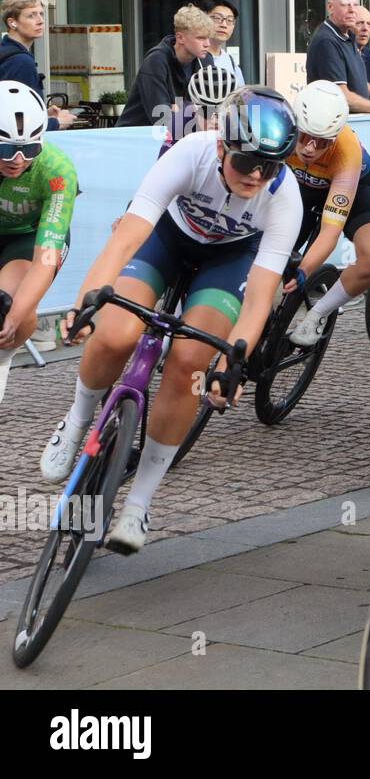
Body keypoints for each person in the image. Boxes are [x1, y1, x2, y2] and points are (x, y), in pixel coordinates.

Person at [41, 86, 302, 554]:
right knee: (117, 330)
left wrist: (235, 361)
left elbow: (260, 298)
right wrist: (87, 301)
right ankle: (78, 417)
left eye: (271, 166)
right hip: (167, 238)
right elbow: (125, 239)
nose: (257, 176)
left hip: (229, 259)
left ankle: (138, 505)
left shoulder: (284, 199)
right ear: (222, 146)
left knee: (191, 363)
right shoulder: (191, 153)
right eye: (246, 163)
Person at [284, 81, 370, 345]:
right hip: (299, 187)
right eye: (304, 136)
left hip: (354, 189)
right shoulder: (280, 128)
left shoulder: (347, 149)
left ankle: (318, 314)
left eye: (321, 142)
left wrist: (304, 271)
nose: (310, 148)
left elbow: (331, 232)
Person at [0, 81, 77, 402]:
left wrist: (13, 320)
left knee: (7, 306)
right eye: (6, 149)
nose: (17, 159)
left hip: (30, 238)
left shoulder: (56, 170)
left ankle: (3, 358)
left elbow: (45, 259)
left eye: (29, 148)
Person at [305, 0, 370, 122]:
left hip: (355, 126)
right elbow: (341, 96)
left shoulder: (348, 36)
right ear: (330, 8)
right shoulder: (327, 41)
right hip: (336, 128)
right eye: (345, 5)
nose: (352, 10)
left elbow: (358, 79)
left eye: (355, 4)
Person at [118, 4, 212, 131]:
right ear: (180, 37)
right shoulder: (156, 60)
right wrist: (192, 110)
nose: (207, 44)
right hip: (136, 137)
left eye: (208, 38)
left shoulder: (205, 60)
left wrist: (180, 109)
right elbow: (161, 118)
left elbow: (211, 111)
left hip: (178, 137)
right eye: (200, 38)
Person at [0, 0, 74, 131]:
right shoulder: (20, 61)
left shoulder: (7, 53)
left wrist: (43, 115)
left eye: (41, 14)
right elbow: (17, 127)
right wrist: (57, 122)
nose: (40, 20)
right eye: (31, 15)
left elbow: (9, 113)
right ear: (12, 22)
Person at [203, 0, 245, 88]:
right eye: (217, 18)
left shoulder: (231, 62)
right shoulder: (193, 58)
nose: (224, 25)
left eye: (229, 20)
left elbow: (241, 97)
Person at [354, 6, 370, 92]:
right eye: (360, 23)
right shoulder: (343, 53)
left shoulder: (368, 55)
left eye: (369, 24)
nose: (365, 28)